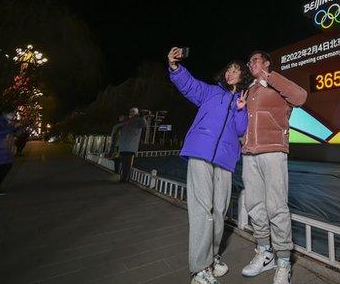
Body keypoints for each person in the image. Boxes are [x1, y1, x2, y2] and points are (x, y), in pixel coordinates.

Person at [166, 47, 251, 284]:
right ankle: (199, 269)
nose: (231, 73)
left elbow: (241, 130)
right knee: (202, 209)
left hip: (224, 159)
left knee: (219, 212)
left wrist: (241, 110)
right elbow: (189, 84)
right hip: (200, 152)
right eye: (229, 69)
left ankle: (212, 257)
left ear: (242, 75)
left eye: (236, 70)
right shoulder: (211, 92)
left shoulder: (242, 101)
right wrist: (175, 67)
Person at [241, 51, 307, 284]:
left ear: (266, 63)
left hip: (273, 150)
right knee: (254, 204)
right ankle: (264, 252)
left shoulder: (277, 83)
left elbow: (300, 97)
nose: (251, 64)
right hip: (249, 153)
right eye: (249, 62)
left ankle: (283, 262)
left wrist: (269, 77)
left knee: (276, 206)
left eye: (255, 60)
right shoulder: (248, 90)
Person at [116, 108, 147, 182]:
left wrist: (142, 116)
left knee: (128, 164)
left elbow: (144, 124)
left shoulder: (138, 120)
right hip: (123, 146)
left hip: (131, 147)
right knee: (123, 163)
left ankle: (125, 179)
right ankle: (122, 177)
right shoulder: (127, 120)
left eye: (133, 112)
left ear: (136, 113)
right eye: (130, 111)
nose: (131, 113)